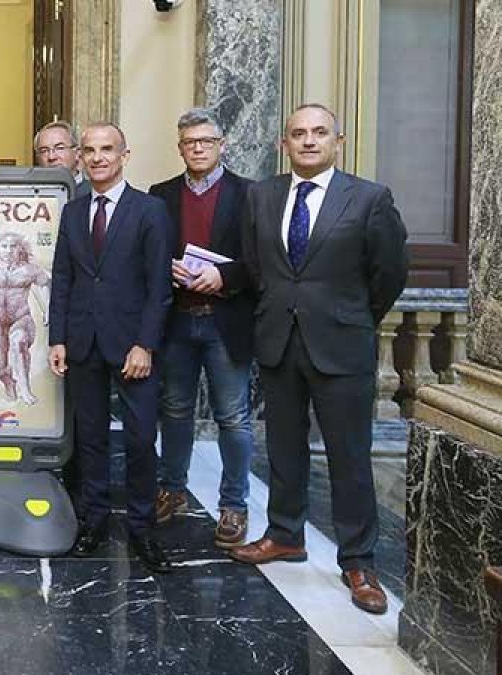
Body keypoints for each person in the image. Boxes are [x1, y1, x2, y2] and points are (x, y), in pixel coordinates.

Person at [229, 104, 408, 615]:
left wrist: (352, 317)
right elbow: (255, 265)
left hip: (342, 345)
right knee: (283, 449)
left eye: (318, 133)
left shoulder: (370, 198)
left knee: (349, 458)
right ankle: (285, 533)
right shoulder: (260, 196)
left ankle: (358, 560)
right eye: (298, 134)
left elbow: (389, 272)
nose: (308, 141)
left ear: (338, 141)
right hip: (279, 341)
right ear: (283, 144)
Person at [47, 122, 173, 572]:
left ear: (125, 154)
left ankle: (142, 530)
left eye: (107, 149)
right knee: (91, 440)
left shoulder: (150, 211)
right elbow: (64, 277)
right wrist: (57, 338)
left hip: (132, 347)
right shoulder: (74, 211)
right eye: (90, 150)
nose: (98, 157)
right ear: (79, 157)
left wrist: (145, 345)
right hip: (82, 343)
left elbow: (159, 286)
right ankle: (93, 522)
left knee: (140, 440)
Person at [149, 108, 255, 549]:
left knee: (233, 417)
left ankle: (234, 505)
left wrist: (225, 278)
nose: (197, 148)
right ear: (180, 148)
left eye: (206, 141)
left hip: (225, 322)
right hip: (177, 322)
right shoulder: (161, 194)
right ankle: (172, 489)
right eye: (189, 142)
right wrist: (163, 268)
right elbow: (148, 253)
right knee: (174, 410)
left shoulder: (250, 195)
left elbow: (265, 260)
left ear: (221, 145)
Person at [0, 232, 51, 405]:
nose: (9, 250)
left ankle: (25, 388)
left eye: (13, 246)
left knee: (18, 342)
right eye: (4, 246)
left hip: (21, 318)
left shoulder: (29, 269)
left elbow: (44, 285)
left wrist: (47, 310)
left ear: (20, 248)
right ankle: (9, 383)